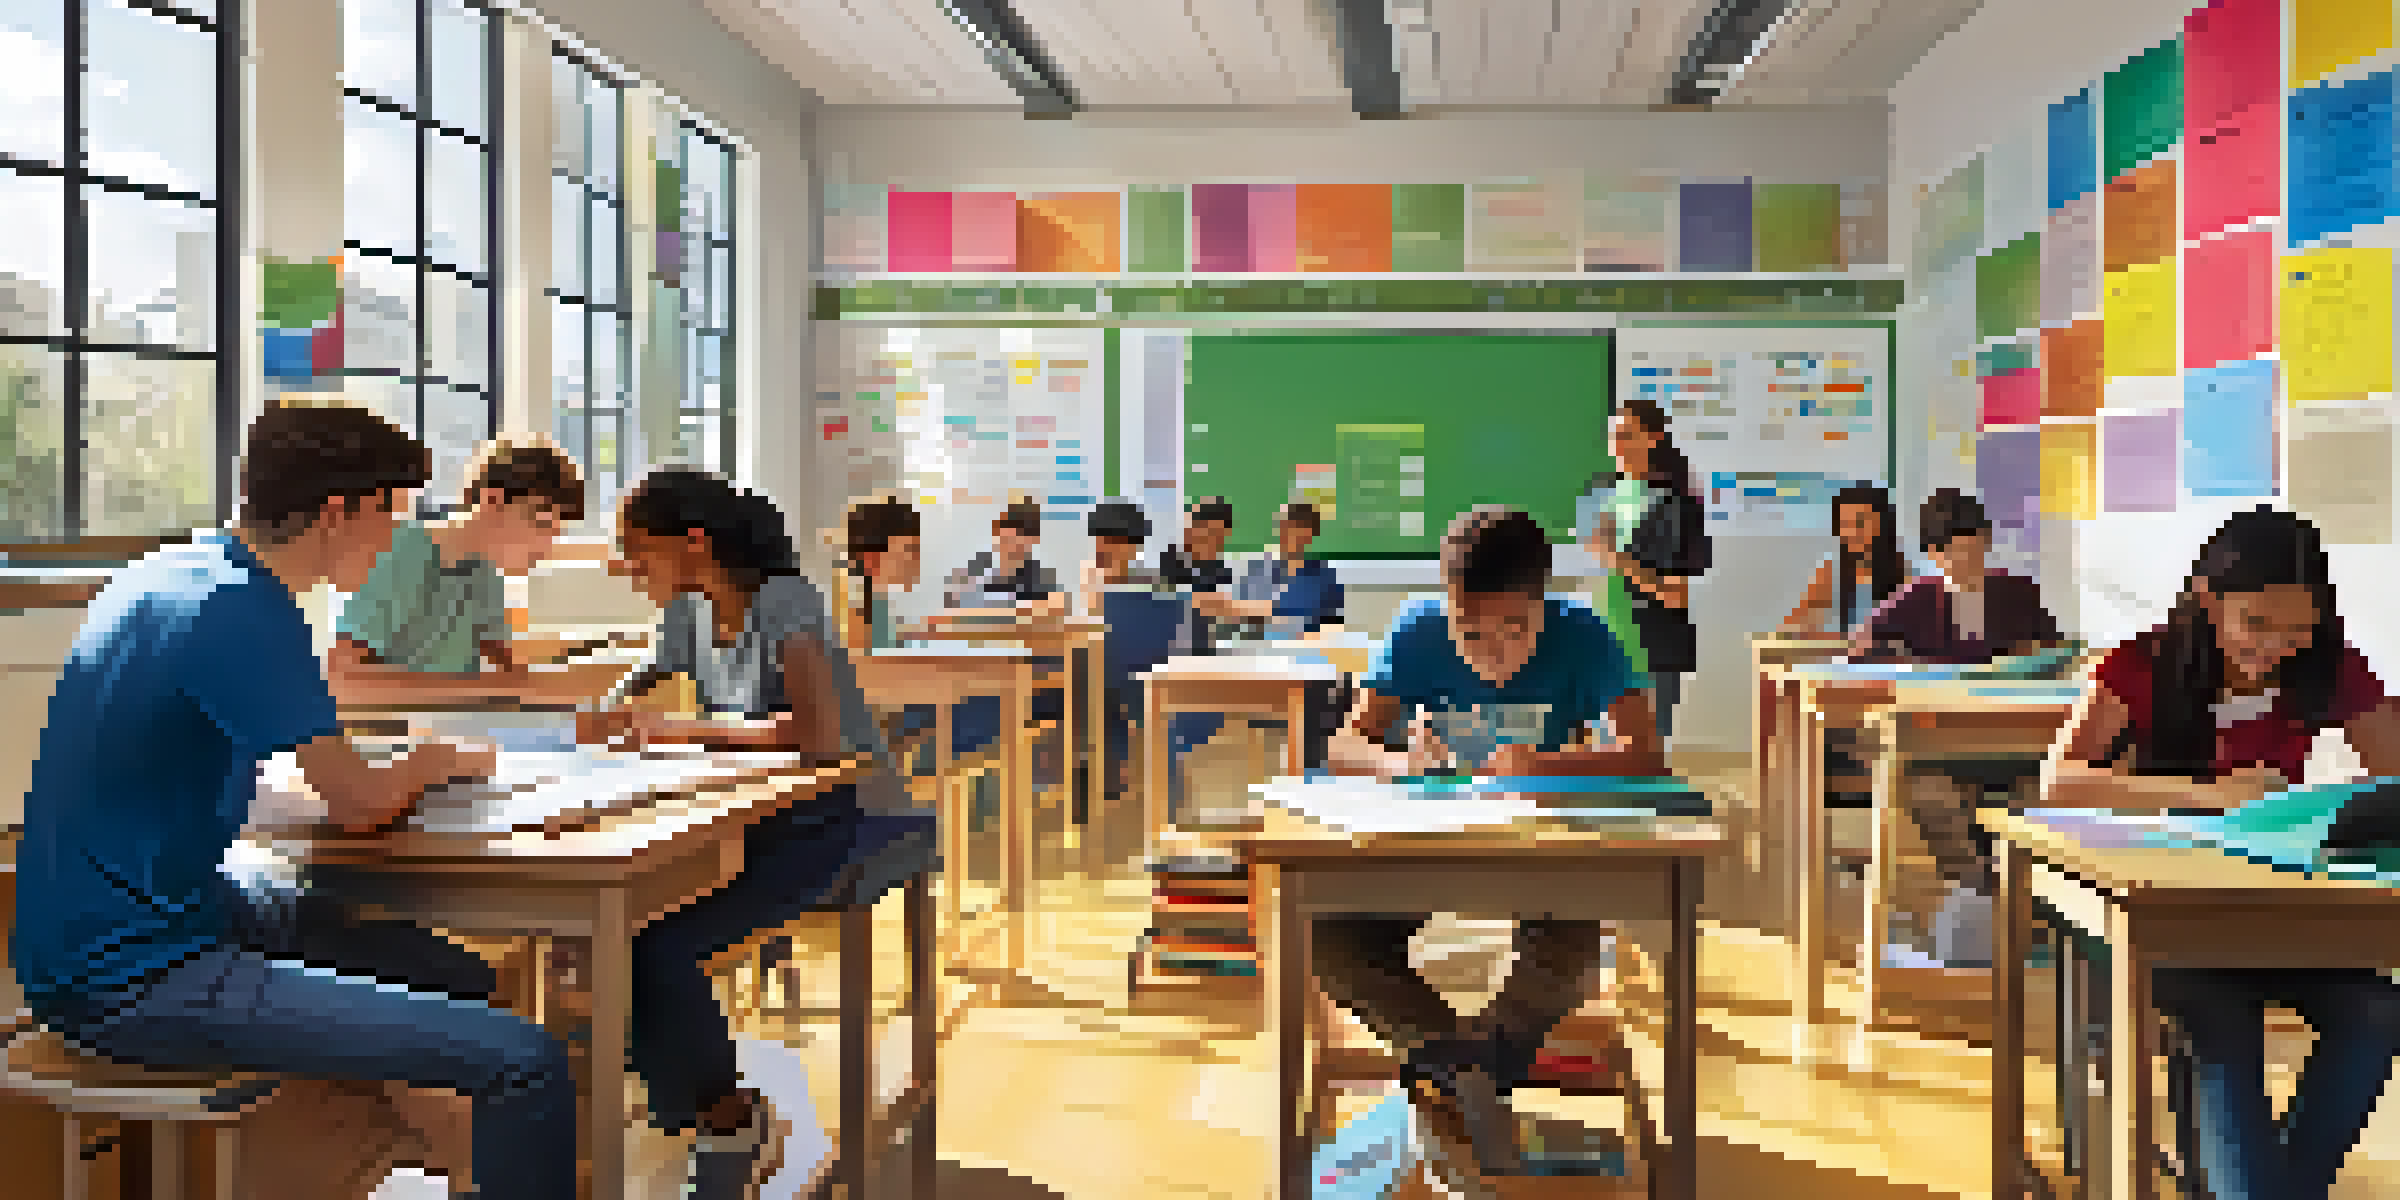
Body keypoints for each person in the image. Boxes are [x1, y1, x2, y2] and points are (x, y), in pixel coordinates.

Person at [10, 403, 577, 1199]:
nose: (393, 540)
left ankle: (410, 1151)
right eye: (390, 514)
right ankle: (418, 1140)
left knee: (450, 973)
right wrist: (433, 762)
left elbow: (234, 775)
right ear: (338, 509)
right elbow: (359, 803)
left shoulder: (173, 571)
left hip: (114, 922)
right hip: (134, 973)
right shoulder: (244, 611)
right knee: (527, 1062)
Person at [580, 466, 932, 1199]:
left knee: (655, 945)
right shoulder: (684, 614)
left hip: (848, 816)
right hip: (758, 818)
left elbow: (819, 735)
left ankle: (729, 1119)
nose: (626, 566)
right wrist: (607, 709)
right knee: (604, 935)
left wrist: (676, 731)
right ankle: (676, 1112)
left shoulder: (784, 599)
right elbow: (636, 683)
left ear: (695, 543)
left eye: (637, 549)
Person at [2043, 506, 2400, 1200]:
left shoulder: (2333, 669)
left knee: (2377, 1011)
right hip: (2167, 916)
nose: (2272, 647)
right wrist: (2210, 795)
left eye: (2298, 629)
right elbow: (2059, 782)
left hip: (2281, 909)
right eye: (2255, 625)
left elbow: (2395, 777)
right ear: (2208, 599)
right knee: (2224, 1022)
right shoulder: (2141, 665)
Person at [1321, 507, 1666, 1188]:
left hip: (1541, 851)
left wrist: (1545, 765)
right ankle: (1463, 1071)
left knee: (1568, 950)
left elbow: (1646, 752)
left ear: (1543, 603)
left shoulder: (1583, 634)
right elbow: (1343, 743)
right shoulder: (1417, 628)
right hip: (1427, 848)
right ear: (1445, 603)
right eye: (1468, 628)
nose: (1490, 649)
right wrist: (1400, 766)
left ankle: (1460, 1074)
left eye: (1514, 628)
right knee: (1331, 939)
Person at [1855, 487, 2066, 963]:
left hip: (2015, 745)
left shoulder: (2015, 591)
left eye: (1977, 550)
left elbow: (2055, 649)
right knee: (1929, 796)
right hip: (1941, 746)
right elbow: (1865, 648)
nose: (1969, 564)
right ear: (1935, 555)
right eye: (1956, 554)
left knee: (2041, 804)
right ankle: (1982, 893)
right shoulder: (1918, 596)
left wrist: (2031, 657)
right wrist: (1910, 664)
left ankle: (2027, 909)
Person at [329, 434, 590, 707]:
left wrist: (571, 688)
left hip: (447, 726)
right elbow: (344, 680)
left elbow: (505, 667)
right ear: (494, 501)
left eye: (557, 533)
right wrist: (494, 687)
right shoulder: (404, 554)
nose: (546, 547)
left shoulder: (484, 571)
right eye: (543, 525)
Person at [1583, 395, 1711, 740]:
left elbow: (1676, 597)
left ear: (1653, 438)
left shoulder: (1677, 505)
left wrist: (1618, 559)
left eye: (1626, 435)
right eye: (1613, 437)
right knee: (1597, 759)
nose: (1617, 445)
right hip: (1603, 643)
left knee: (1641, 758)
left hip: (1651, 652)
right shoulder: (1605, 494)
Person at [1780, 482, 1911, 636]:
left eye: (1860, 523)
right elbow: (1796, 624)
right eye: (1844, 524)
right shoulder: (1832, 572)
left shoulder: (1906, 573)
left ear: (1882, 523)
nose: (1852, 532)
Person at [937, 496, 1067, 620]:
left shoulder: (1043, 581)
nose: (1015, 539)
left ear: (1034, 539)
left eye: (1023, 532)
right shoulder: (975, 576)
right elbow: (949, 613)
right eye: (1009, 529)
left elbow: (1053, 610)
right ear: (997, 532)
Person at [1230, 501, 1346, 636]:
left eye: (1302, 528)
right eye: (1289, 526)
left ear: (1311, 534)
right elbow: (1240, 616)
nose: (1294, 534)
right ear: (1280, 529)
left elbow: (1335, 624)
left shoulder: (1324, 577)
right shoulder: (1257, 571)